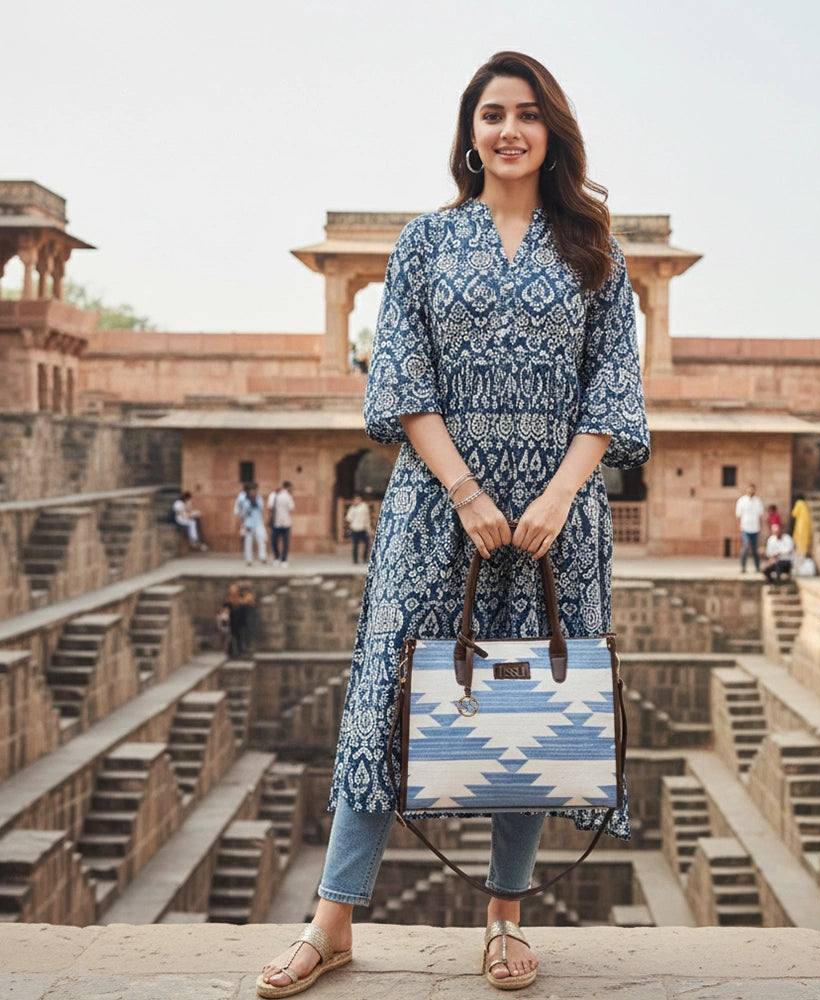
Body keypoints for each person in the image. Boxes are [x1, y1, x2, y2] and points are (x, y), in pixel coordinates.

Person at [256, 51, 649, 998]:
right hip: (438, 514)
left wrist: (557, 495)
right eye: (490, 115)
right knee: (384, 704)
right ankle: (333, 920)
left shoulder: (595, 246)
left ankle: (505, 923)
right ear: (469, 134)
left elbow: (616, 386)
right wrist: (470, 494)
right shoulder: (427, 244)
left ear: (551, 129)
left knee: (526, 710)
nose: (508, 130)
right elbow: (398, 380)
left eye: (526, 114)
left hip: (559, 523)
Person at [235, 483, 268, 565]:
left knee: (261, 539)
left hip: (258, 522)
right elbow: (238, 511)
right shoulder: (242, 499)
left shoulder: (258, 498)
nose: (254, 492)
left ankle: (263, 557)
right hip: (248, 523)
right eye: (252, 490)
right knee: (248, 541)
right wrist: (240, 523)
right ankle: (248, 560)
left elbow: (261, 509)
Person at [735, 483, 765, 572]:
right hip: (745, 528)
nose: (751, 491)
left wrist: (760, 528)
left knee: (755, 550)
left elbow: (760, 516)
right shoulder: (742, 501)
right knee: (745, 547)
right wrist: (739, 527)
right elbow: (738, 515)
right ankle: (743, 567)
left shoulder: (758, 501)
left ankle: (757, 567)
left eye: (753, 490)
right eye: (750, 489)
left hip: (755, 528)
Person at [269, 482, 295, 566]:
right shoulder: (278, 496)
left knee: (276, 541)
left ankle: (279, 558)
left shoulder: (276, 495)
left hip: (282, 522)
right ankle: (281, 559)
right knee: (283, 542)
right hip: (280, 522)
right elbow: (292, 509)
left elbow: (270, 507)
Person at [344, 494, 371, 564]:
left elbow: (366, 518)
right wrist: (353, 508)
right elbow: (348, 518)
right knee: (355, 545)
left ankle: (365, 558)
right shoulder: (352, 508)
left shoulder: (364, 506)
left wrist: (368, 528)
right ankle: (355, 559)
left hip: (363, 528)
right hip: (355, 528)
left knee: (367, 544)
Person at [790, 494, 812, 559]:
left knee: (799, 544)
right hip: (806, 528)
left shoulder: (799, 503)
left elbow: (794, 513)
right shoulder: (805, 505)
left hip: (800, 527)